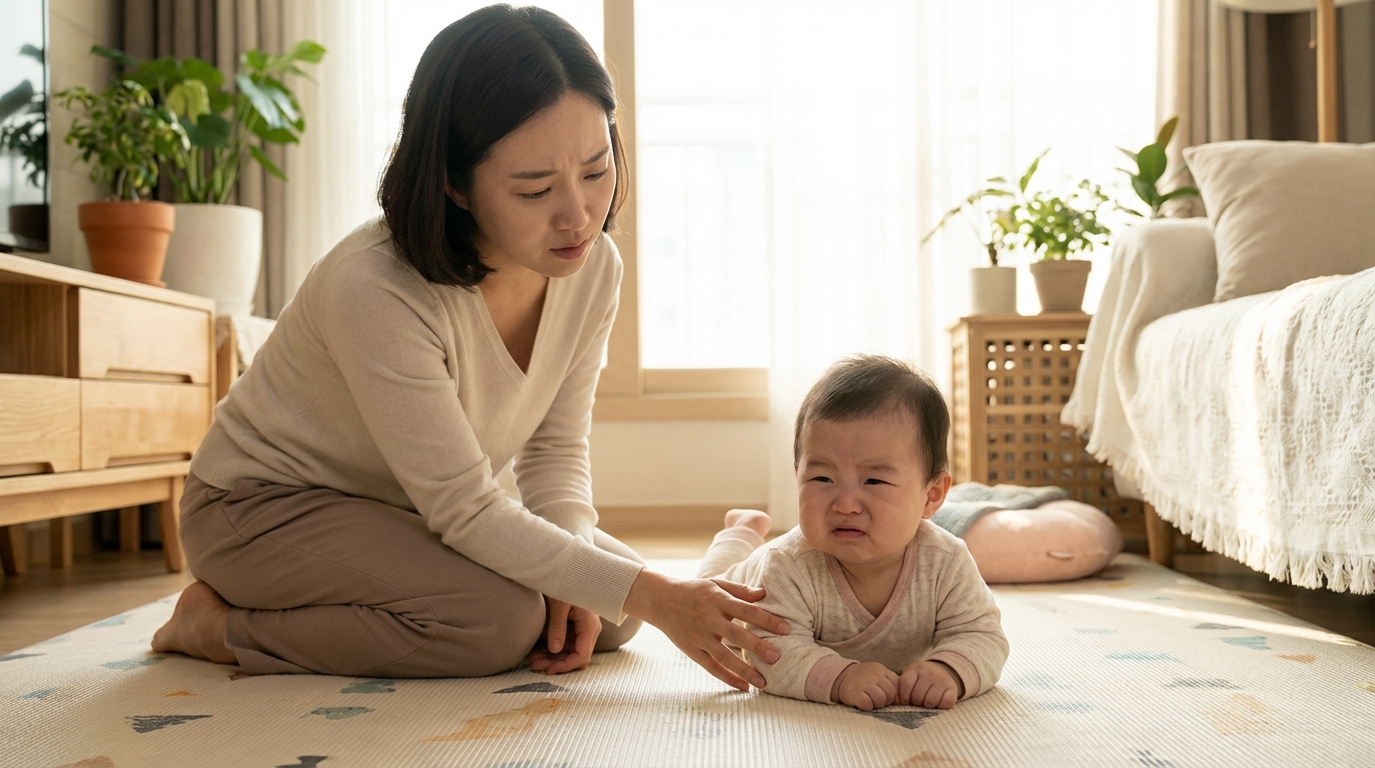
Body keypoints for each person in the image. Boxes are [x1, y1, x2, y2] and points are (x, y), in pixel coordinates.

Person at [151, 4, 789, 689]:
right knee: (498, 622)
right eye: (535, 188)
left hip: (405, 510)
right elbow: (463, 508)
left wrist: (595, 583)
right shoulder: (374, 287)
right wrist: (661, 597)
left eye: (596, 170)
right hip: (261, 509)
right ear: (454, 183)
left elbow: (554, 451)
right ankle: (214, 627)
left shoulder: (593, 266)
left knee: (611, 614)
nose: (578, 215)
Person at [696, 355, 1009, 711]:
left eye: (874, 480)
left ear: (932, 495)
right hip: (742, 588)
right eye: (821, 478)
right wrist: (840, 677)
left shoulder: (947, 562)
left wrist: (948, 669)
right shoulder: (787, 566)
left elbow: (983, 636)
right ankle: (739, 533)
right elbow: (770, 652)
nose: (845, 504)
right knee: (709, 588)